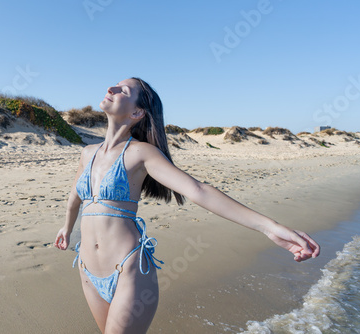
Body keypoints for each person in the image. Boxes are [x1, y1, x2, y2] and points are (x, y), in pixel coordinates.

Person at [54, 77, 320, 333]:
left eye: (124, 90)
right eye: (115, 84)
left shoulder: (141, 153)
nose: (112, 88)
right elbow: (75, 197)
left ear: (137, 112)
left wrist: (270, 227)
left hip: (128, 270)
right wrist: (66, 228)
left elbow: (198, 190)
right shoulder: (87, 153)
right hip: (87, 269)